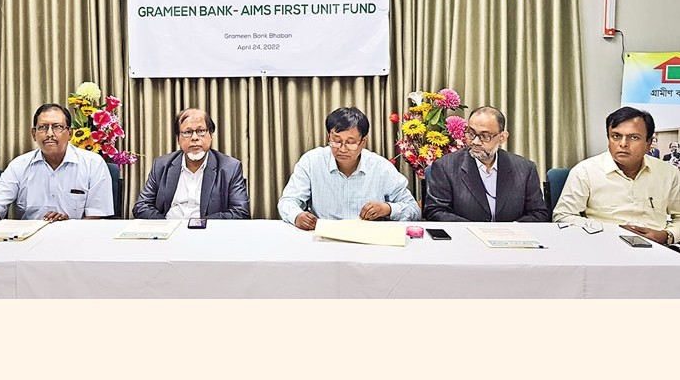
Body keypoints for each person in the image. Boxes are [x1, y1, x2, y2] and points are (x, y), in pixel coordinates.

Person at [0, 103, 113, 233]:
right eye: (42, 128)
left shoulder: (93, 164)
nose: (49, 134)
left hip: (76, 239)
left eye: (57, 127)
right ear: (34, 134)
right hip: (28, 241)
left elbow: (95, 217)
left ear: (70, 134)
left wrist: (69, 227)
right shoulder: (19, 165)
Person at [553, 106, 680, 244]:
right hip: (603, 245)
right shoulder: (586, 171)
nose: (623, 144)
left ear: (649, 143)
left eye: (634, 137)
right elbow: (562, 216)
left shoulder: (668, 173)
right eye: (616, 136)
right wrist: (610, 230)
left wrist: (667, 235)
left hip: (658, 250)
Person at [278, 107, 420, 229]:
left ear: (363, 141)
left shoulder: (381, 167)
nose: (342, 149)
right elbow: (288, 201)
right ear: (329, 137)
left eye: (350, 142)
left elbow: (414, 209)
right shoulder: (311, 161)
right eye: (336, 141)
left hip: (367, 242)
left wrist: (388, 209)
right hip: (324, 240)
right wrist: (297, 216)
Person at [422, 106, 548, 222]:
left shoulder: (525, 169)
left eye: (485, 136)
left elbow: (538, 213)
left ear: (502, 137)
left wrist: (511, 230)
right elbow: (435, 211)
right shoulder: (446, 167)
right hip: (465, 241)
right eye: (471, 133)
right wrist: (474, 230)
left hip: (512, 242)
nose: (475, 141)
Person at [132, 108, 249, 219]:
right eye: (187, 132)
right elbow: (141, 206)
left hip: (206, 234)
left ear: (211, 135)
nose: (194, 138)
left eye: (201, 131)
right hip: (169, 233)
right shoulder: (161, 165)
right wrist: (165, 225)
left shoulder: (230, 167)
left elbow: (240, 212)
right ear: (178, 138)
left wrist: (198, 224)